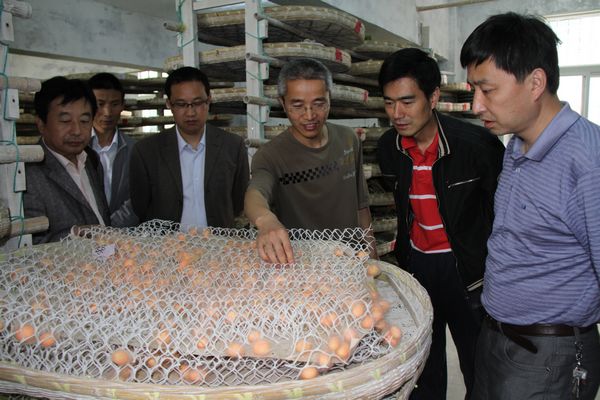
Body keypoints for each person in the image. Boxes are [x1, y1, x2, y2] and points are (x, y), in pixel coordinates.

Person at [460, 12, 600, 400]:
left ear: (535, 83)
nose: (476, 105)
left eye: (488, 90)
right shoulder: (516, 145)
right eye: (473, 90)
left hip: (549, 356)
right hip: (497, 337)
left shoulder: (588, 161)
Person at [376, 48, 504, 399]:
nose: (397, 114)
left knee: (478, 366)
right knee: (423, 368)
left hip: (467, 271)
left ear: (432, 98)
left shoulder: (477, 147)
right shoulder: (389, 148)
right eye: (389, 103)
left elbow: (501, 215)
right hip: (418, 266)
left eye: (407, 101)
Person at [244, 58, 376, 264]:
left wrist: (373, 258)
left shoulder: (348, 140)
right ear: (282, 103)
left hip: (351, 260)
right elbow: (256, 193)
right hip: (304, 266)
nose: (309, 115)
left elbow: (361, 207)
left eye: (319, 104)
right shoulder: (271, 156)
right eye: (297, 105)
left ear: (330, 97)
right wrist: (266, 220)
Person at [129, 66, 249, 229]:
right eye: (181, 104)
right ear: (169, 104)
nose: (190, 112)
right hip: (166, 243)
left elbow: (238, 201)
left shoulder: (232, 146)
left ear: (209, 101)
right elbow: (140, 206)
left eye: (197, 103)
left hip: (218, 242)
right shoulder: (146, 151)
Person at [24, 77, 110, 244]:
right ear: (41, 124)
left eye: (84, 121)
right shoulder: (28, 174)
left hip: (103, 258)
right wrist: (74, 234)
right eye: (65, 121)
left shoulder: (91, 159)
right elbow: (28, 245)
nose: (77, 130)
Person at [88, 72, 138, 227]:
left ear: (123, 105)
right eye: (100, 104)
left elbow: (137, 198)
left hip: (124, 235)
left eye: (115, 104)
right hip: (82, 235)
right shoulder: (76, 149)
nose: (107, 112)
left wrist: (109, 229)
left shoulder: (135, 150)